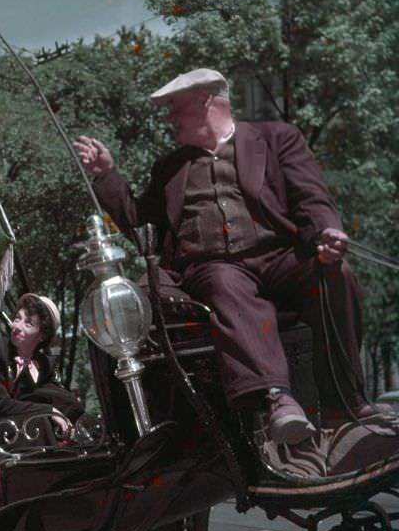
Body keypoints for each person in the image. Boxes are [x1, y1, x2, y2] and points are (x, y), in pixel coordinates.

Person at [73, 68, 387, 446]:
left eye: (175, 108)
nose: (169, 118)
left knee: (336, 273)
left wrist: (327, 232)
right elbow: (142, 227)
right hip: (213, 270)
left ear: (208, 101)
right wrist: (106, 175)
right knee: (225, 281)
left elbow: (311, 197)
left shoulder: (276, 139)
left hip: (279, 259)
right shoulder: (169, 169)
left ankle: (346, 403)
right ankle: (277, 400)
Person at [0, 293, 84, 451]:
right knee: (39, 422)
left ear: (42, 336)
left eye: (28, 323)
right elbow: (0, 404)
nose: (17, 326)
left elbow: (53, 398)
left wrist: (66, 419)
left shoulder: (45, 365)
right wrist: (49, 411)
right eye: (17, 318)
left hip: (23, 426)